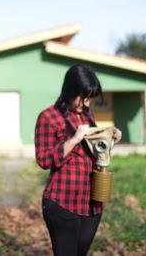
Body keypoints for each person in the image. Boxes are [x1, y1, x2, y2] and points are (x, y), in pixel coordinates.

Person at [34, 64, 122, 256]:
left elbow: (98, 155)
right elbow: (43, 160)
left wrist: (110, 140)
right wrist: (74, 139)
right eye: (84, 97)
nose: (87, 103)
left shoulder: (88, 116)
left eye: (90, 98)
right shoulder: (48, 117)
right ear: (70, 91)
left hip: (92, 204)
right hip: (62, 203)